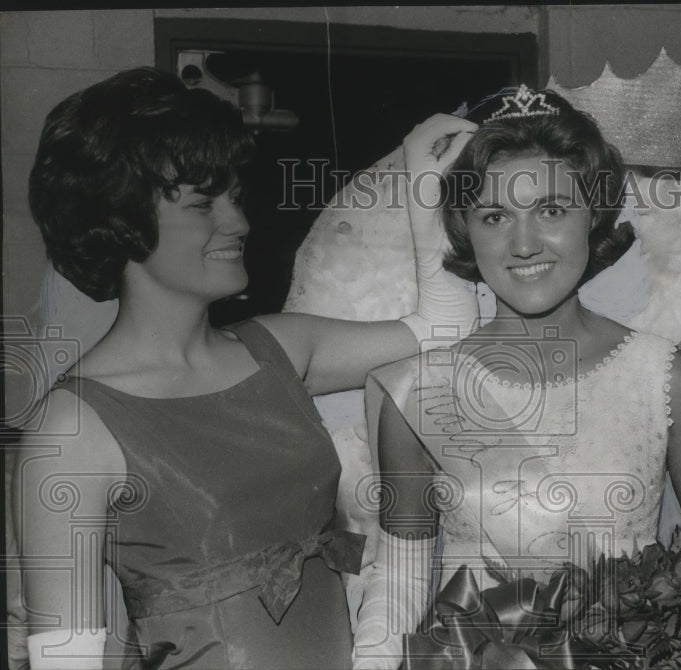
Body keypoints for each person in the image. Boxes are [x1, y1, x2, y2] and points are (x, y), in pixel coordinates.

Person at [11, 67, 478, 669]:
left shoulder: (278, 346)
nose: (238, 222)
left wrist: (424, 182)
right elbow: (63, 661)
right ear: (120, 221)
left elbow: (444, 328)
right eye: (203, 204)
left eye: (234, 197)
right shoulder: (70, 428)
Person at [352, 85, 681, 669]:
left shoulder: (664, 376)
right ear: (465, 226)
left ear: (592, 214)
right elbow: (399, 585)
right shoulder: (417, 393)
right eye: (496, 216)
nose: (524, 244)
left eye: (551, 211)